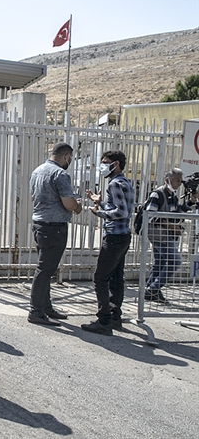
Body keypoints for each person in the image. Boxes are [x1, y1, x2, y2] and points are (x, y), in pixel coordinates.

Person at [27, 143, 82, 326]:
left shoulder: (37, 171)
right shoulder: (60, 174)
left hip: (40, 223)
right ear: (66, 156)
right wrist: (77, 206)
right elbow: (68, 204)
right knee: (45, 270)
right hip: (54, 227)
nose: (70, 161)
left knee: (46, 268)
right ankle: (36, 311)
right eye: (70, 158)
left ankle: (45, 307)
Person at [83, 150, 135, 335]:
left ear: (117, 164)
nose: (103, 166)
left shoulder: (114, 184)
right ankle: (114, 317)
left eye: (106, 162)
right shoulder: (125, 182)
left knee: (100, 278)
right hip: (123, 236)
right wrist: (101, 202)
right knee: (116, 277)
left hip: (114, 237)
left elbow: (121, 212)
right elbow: (120, 207)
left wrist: (100, 213)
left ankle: (104, 320)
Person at [145, 168, 196, 303]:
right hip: (160, 236)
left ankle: (150, 292)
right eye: (177, 181)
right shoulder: (158, 194)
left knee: (160, 263)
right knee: (175, 262)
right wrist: (172, 226)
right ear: (168, 180)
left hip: (164, 235)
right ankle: (153, 289)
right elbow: (150, 216)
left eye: (180, 181)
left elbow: (178, 213)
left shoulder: (171, 196)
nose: (179, 184)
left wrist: (191, 201)